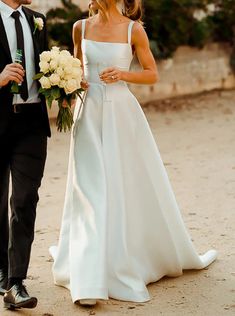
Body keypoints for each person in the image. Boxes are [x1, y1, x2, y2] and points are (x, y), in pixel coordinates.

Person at [50, 0, 217, 306]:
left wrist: (124, 75)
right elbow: (74, 69)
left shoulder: (133, 30)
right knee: (88, 189)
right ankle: (88, 279)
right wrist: (70, 91)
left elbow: (152, 73)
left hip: (122, 117)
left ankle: (123, 261)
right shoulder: (80, 27)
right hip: (86, 116)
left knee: (120, 184)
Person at [0, 0, 50, 310]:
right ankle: (3, 273)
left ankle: (16, 281)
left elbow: (45, 68)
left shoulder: (38, 19)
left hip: (32, 124)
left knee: (25, 199)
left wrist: (61, 84)